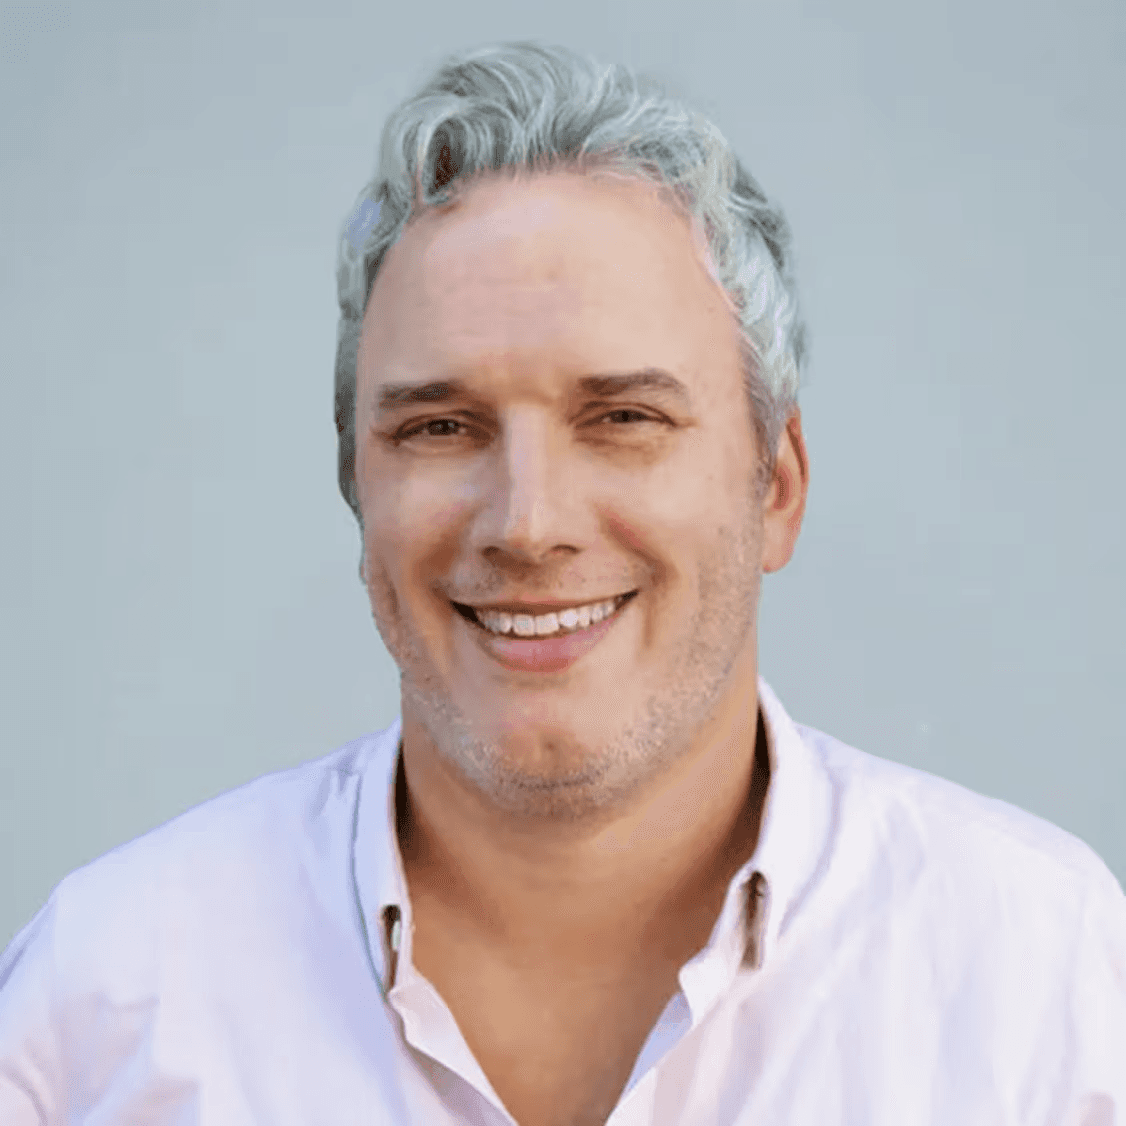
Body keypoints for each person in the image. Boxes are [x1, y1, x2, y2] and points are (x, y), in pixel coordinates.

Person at [2, 39, 1123, 1126]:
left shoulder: (1050, 989)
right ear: (357, 489)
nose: (527, 524)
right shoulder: (102, 1007)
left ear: (775, 485)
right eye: (441, 426)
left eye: (624, 417)